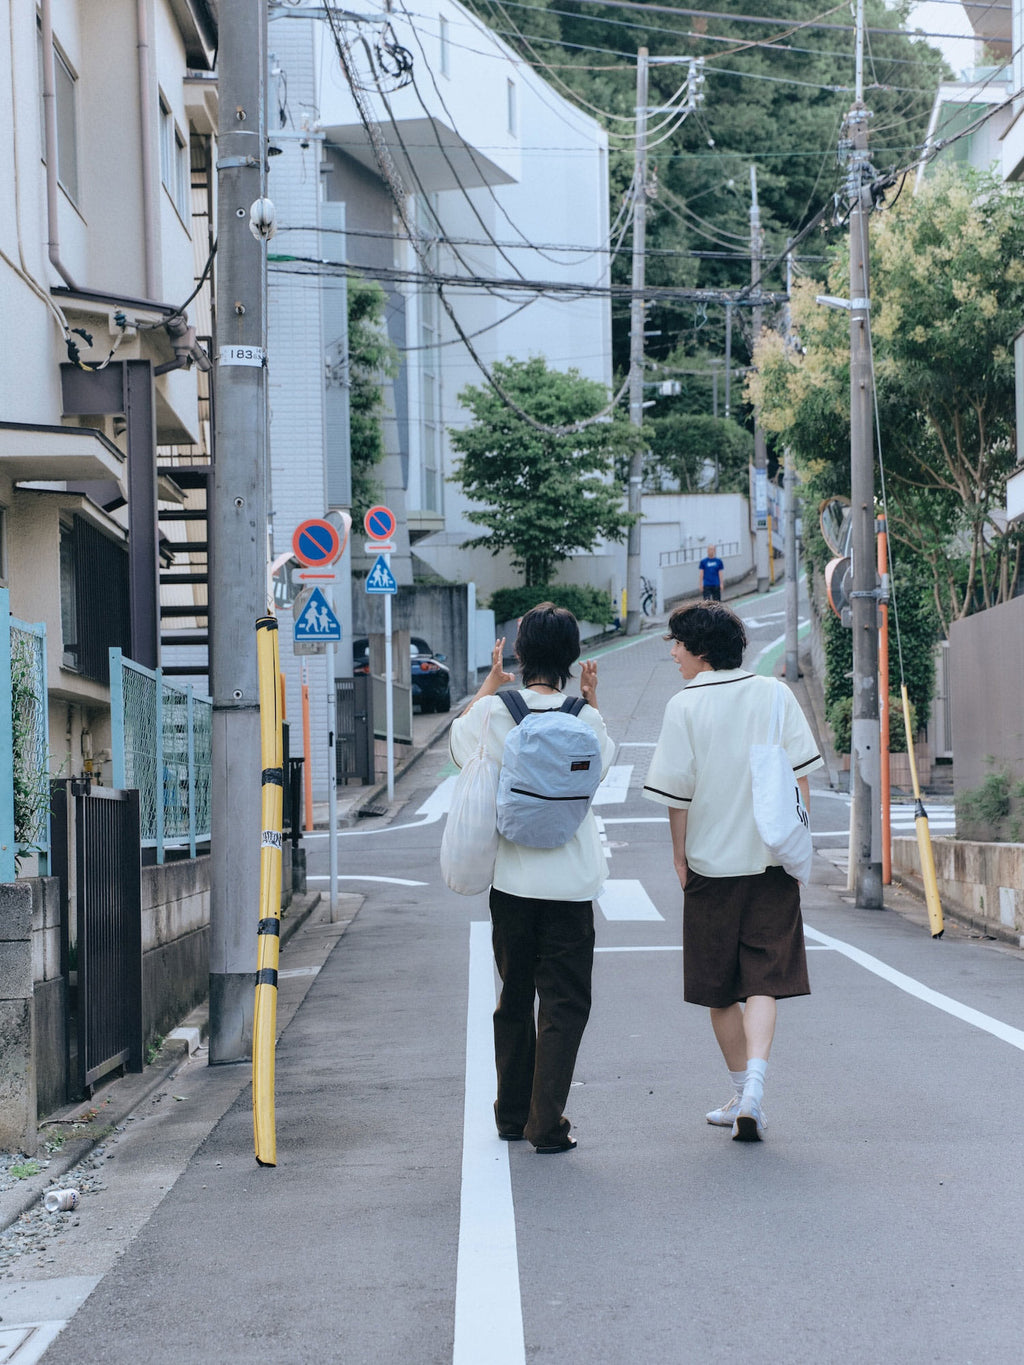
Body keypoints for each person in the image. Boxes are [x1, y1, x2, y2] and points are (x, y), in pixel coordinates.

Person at [642, 601, 822, 1142]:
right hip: (770, 861)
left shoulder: (684, 706)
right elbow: (802, 780)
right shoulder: (774, 692)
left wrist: (680, 857)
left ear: (699, 649)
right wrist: (797, 842)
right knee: (765, 979)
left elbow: (679, 797)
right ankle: (756, 1091)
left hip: (711, 867)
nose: (672, 653)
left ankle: (743, 1090)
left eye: (677, 643)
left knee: (719, 988)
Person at [450, 604, 615, 1154]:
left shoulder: (496, 711)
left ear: (519, 654)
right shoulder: (585, 718)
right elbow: (602, 770)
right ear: (572, 657)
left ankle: (511, 1113)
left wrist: (489, 685)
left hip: (513, 884)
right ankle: (547, 1123)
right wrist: (593, 700)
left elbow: (458, 749)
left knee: (515, 995)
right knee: (565, 1004)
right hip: (572, 885)